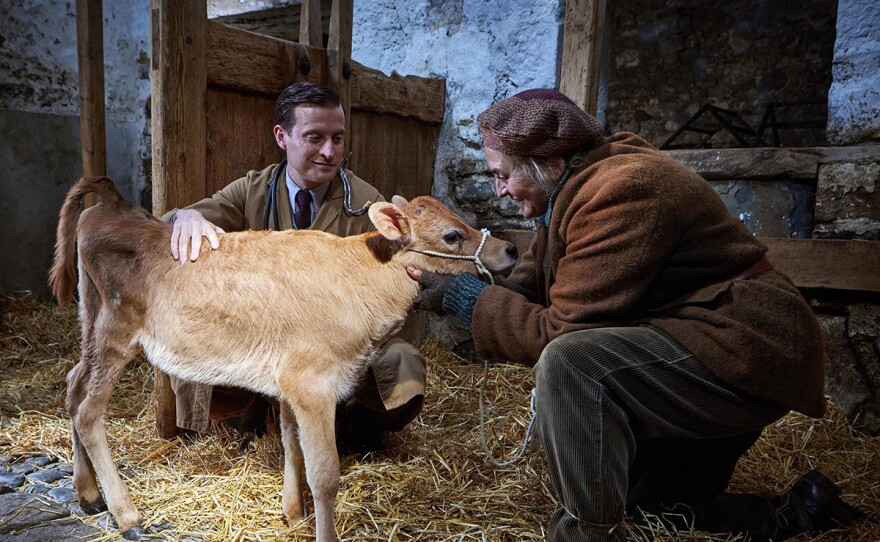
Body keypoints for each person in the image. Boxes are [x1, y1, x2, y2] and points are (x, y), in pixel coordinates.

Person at [409, 89, 866, 540]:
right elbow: (531, 286)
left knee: (571, 362)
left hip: (742, 345)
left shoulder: (622, 191)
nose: (500, 190)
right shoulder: (573, 188)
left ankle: (588, 535)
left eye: (503, 176)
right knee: (656, 513)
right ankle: (800, 512)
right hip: (700, 337)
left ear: (546, 164)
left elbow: (558, 331)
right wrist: (449, 278)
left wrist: (462, 298)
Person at [163, 81, 426, 451]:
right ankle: (254, 430)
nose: (329, 151)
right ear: (282, 137)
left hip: (334, 345)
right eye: (314, 137)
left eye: (338, 138)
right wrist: (185, 216)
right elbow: (174, 221)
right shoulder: (252, 191)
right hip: (264, 343)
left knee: (402, 362)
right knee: (194, 349)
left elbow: (402, 255)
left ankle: (353, 438)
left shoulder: (366, 202)